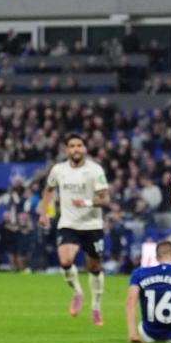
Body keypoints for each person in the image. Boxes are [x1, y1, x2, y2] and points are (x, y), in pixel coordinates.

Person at [39, 133, 110, 326]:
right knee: (66, 260)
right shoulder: (58, 170)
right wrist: (44, 213)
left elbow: (105, 199)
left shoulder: (95, 170)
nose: (76, 149)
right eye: (72, 146)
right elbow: (48, 190)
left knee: (94, 267)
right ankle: (78, 292)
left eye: (79, 145)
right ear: (66, 150)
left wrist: (86, 202)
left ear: (85, 148)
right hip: (68, 223)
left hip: (92, 225)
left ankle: (96, 306)